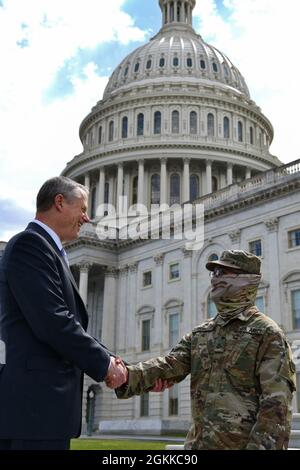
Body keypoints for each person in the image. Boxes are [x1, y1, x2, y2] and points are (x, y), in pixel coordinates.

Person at [111, 250, 297, 450]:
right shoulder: (202, 333)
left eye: (224, 272)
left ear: (247, 280)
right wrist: (126, 375)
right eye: (214, 272)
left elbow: (276, 407)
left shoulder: (267, 334)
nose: (216, 278)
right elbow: (169, 365)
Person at [0, 177, 127, 450]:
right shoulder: (30, 245)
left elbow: (64, 322)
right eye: (81, 209)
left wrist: (110, 358)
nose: (87, 217)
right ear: (59, 202)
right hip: (35, 411)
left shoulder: (48, 250)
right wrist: (105, 365)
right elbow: (53, 321)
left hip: (42, 412)